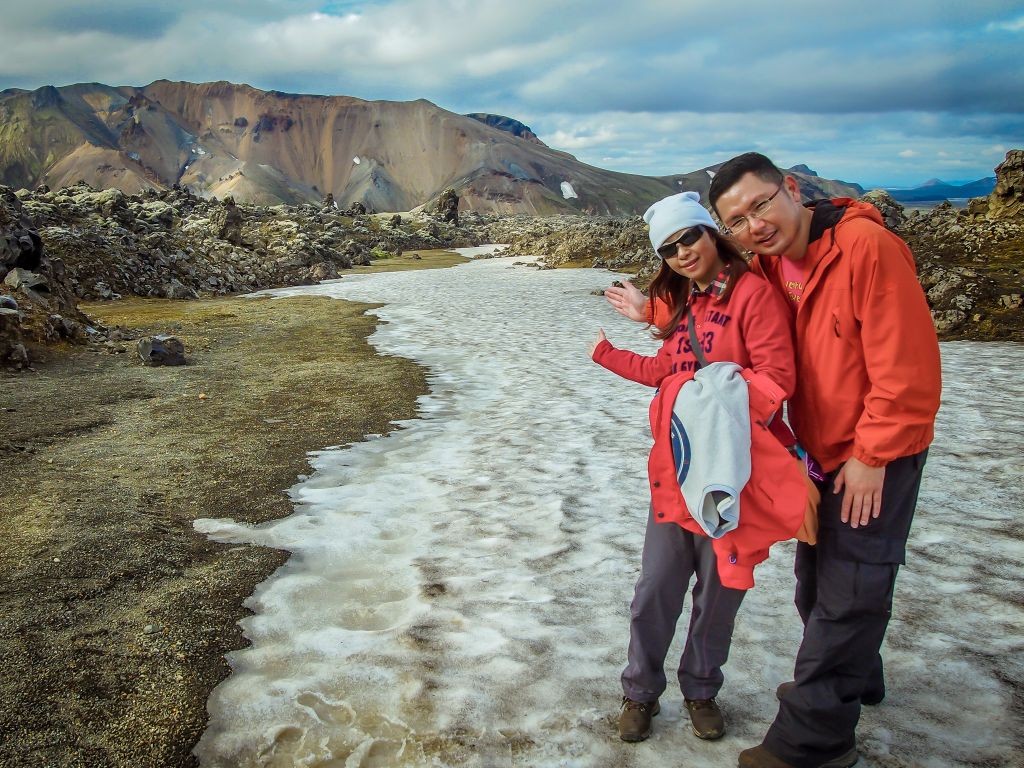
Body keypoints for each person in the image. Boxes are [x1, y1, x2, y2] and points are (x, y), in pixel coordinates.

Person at [607, 154, 942, 768]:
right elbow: (709, 315)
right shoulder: (766, 259)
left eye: (761, 204)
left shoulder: (864, 248)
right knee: (817, 586)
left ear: (791, 189)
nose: (754, 223)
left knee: (848, 591)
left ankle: (811, 742)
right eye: (737, 218)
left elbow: (907, 369)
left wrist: (873, 455)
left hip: (870, 451)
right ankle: (857, 675)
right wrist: (652, 317)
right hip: (813, 452)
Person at [591, 191, 802, 744]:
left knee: (718, 593)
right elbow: (667, 369)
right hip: (677, 473)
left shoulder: (754, 296)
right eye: (669, 247)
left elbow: (776, 378)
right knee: (656, 588)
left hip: (734, 476)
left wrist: (708, 406)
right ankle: (639, 692)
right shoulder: (684, 303)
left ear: (711, 234)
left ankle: (701, 688)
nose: (682, 252)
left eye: (689, 237)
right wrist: (608, 354)